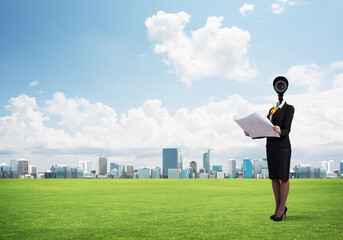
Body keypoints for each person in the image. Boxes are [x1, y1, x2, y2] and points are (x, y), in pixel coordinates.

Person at [245, 76, 294, 222]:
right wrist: (251, 134)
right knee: (274, 178)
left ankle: (281, 208)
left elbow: (287, 129)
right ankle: (278, 207)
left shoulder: (289, 108)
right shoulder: (271, 110)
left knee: (283, 178)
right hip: (271, 146)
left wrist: (280, 130)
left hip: (283, 146)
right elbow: (265, 129)